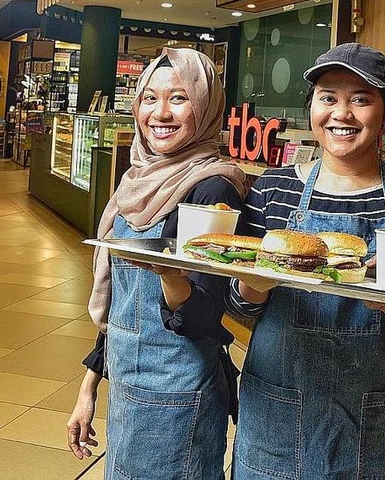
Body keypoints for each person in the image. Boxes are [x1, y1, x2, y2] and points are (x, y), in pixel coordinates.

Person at [225, 43, 385, 479]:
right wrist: (253, 284)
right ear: (312, 107)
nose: (342, 114)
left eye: (361, 99)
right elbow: (238, 305)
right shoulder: (271, 190)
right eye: (328, 97)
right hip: (279, 412)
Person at [67, 48, 249, 480]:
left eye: (179, 98)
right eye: (149, 98)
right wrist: (89, 386)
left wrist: (170, 275)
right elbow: (122, 304)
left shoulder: (212, 188)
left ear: (205, 108)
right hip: (129, 383)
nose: (160, 113)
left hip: (178, 391)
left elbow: (206, 315)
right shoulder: (138, 180)